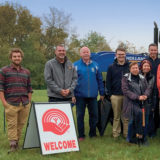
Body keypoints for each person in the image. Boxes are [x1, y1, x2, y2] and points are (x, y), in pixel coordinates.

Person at [0, 48, 33, 152]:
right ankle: (13, 146)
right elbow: (1, 88)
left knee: (20, 125)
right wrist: (4, 103)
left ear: (21, 58)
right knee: (12, 125)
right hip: (11, 103)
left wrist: (29, 101)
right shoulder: (4, 71)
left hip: (24, 103)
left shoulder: (26, 72)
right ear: (11, 58)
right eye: (14, 56)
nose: (17, 58)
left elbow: (29, 88)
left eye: (19, 56)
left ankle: (17, 142)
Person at [74, 46, 104, 141]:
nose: (86, 53)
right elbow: (72, 81)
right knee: (80, 116)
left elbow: (100, 79)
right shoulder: (75, 65)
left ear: (90, 53)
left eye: (87, 52)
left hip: (93, 96)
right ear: (80, 54)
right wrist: (72, 94)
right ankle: (81, 135)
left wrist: (102, 93)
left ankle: (93, 133)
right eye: (84, 52)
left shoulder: (96, 65)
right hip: (79, 96)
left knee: (94, 115)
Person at [122, 62, 151, 144]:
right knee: (133, 121)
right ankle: (130, 138)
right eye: (133, 68)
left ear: (139, 69)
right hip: (131, 102)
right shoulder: (126, 78)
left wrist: (145, 95)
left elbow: (148, 88)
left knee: (144, 121)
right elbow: (126, 91)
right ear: (130, 69)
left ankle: (143, 138)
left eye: (136, 68)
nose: (135, 69)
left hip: (142, 102)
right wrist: (138, 97)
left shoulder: (142, 77)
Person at [106, 47, 129, 139]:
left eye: (122, 54)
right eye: (119, 54)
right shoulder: (111, 67)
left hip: (127, 96)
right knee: (116, 116)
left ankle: (126, 134)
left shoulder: (129, 66)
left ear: (125, 55)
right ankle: (116, 134)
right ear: (116, 55)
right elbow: (108, 82)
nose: (121, 56)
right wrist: (110, 95)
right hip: (115, 96)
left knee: (126, 117)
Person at [145, 43, 160, 136]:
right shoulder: (145, 61)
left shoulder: (159, 61)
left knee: (158, 110)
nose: (153, 51)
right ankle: (151, 130)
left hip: (159, 89)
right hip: (149, 90)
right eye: (152, 50)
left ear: (157, 50)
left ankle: (157, 127)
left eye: (155, 50)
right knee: (150, 110)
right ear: (149, 50)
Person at [140, 60, 156, 138]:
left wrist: (145, 96)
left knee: (149, 117)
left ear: (150, 68)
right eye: (145, 66)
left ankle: (150, 133)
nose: (146, 67)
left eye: (148, 66)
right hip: (139, 99)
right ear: (142, 67)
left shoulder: (152, 77)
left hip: (148, 99)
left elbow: (150, 87)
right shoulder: (138, 75)